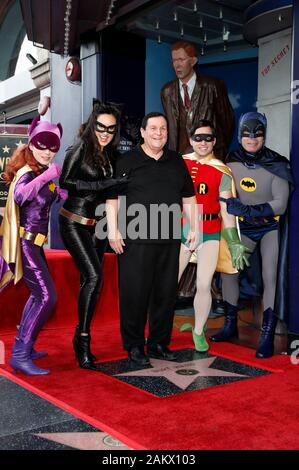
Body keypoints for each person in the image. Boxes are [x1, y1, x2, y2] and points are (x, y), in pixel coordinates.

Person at [106, 112, 198, 367]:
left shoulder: (176, 161)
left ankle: (158, 344)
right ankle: (134, 346)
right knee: (134, 294)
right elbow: (112, 200)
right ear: (143, 132)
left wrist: (194, 227)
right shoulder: (126, 161)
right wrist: (112, 231)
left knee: (165, 295)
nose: (159, 133)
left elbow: (189, 198)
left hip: (169, 239)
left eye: (163, 129)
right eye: (154, 129)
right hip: (135, 239)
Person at [210, 112, 293, 358]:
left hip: (268, 227)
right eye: (247, 134)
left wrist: (246, 209)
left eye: (257, 134)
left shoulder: (277, 163)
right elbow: (223, 193)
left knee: (270, 276)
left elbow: (281, 204)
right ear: (240, 135)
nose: (252, 139)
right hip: (242, 228)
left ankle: (266, 334)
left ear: (264, 135)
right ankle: (229, 325)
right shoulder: (230, 160)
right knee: (229, 272)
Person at [59, 101, 128, 370]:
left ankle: (80, 337)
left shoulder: (110, 156)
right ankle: (84, 340)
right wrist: (103, 184)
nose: (105, 133)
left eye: (110, 129)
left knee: (93, 283)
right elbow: (65, 181)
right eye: (100, 127)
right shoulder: (81, 148)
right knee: (94, 276)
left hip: (96, 225)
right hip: (73, 221)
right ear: (92, 124)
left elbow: (113, 192)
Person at [0, 117, 65, 375]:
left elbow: (37, 200)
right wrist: (49, 176)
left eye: (53, 148)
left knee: (39, 295)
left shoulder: (37, 169)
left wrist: (57, 193)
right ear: (32, 143)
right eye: (43, 145)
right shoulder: (29, 171)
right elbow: (20, 195)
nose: (48, 152)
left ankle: (25, 346)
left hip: (36, 246)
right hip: (26, 245)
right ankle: (19, 354)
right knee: (47, 297)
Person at [179, 120, 250, 351]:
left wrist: (233, 242)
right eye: (198, 138)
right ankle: (157, 331)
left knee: (204, 283)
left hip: (210, 232)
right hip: (181, 229)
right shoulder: (179, 163)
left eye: (207, 138)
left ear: (215, 141)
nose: (202, 142)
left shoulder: (222, 170)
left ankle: (198, 331)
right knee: (167, 282)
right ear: (190, 140)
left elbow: (226, 211)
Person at [161, 40, 234, 157]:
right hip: (179, 160)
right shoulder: (167, 91)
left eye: (181, 59)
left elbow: (227, 122)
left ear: (193, 61)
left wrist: (219, 151)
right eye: (174, 60)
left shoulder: (212, 86)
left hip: (208, 157)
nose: (177, 65)